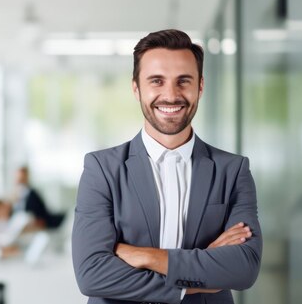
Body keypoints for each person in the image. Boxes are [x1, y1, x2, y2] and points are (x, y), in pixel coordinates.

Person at [71, 29, 262, 304]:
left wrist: (147, 256)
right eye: (156, 81)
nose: (171, 95)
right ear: (136, 87)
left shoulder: (232, 170)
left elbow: (244, 268)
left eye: (183, 81)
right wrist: (195, 280)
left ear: (200, 86)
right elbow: (92, 274)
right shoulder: (101, 169)